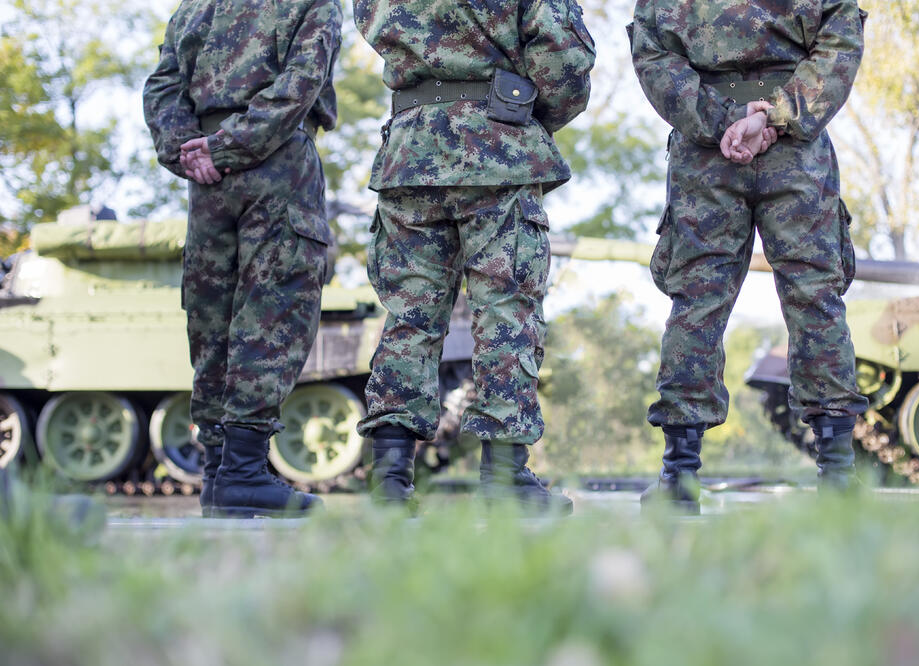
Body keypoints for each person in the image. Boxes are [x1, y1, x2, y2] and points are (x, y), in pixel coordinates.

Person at [354, 0, 596, 513]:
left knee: (408, 318)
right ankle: (505, 479)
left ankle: (390, 482)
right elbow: (563, 59)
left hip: (411, 150)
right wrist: (521, 116)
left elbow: (370, 24)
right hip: (496, 147)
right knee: (506, 311)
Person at [629, 0, 870, 513]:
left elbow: (655, 54)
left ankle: (678, 478)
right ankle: (839, 474)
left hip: (706, 154)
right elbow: (839, 37)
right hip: (795, 152)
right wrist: (774, 115)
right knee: (815, 298)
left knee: (696, 303)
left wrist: (724, 121)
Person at [143, 0, 342, 518]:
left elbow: (161, 85)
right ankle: (243, 472)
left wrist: (191, 147)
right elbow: (301, 82)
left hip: (207, 176)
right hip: (275, 164)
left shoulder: (195, 7)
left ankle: (217, 474)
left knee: (214, 316)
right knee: (271, 312)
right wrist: (226, 147)